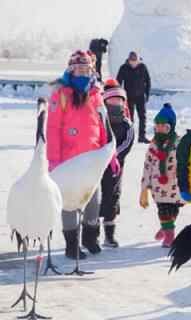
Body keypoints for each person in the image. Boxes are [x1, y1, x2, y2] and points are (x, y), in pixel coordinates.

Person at [47, 50, 114, 259]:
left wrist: (108, 155)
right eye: (78, 68)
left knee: (93, 201)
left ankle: (90, 238)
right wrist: (54, 160)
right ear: (71, 69)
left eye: (86, 67)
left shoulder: (96, 93)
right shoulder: (61, 94)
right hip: (69, 160)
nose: (82, 71)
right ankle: (72, 244)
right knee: (70, 202)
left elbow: (103, 126)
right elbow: (53, 128)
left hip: (93, 160)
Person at [139, 104, 183, 248]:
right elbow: (147, 165)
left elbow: (186, 161)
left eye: (163, 125)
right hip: (158, 185)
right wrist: (145, 186)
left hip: (175, 184)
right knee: (163, 209)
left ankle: (165, 228)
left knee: (173, 210)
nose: (159, 128)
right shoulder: (153, 145)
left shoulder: (179, 143)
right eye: (157, 125)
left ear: (170, 126)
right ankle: (169, 235)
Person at [98, 79, 135, 248]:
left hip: (115, 167)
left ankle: (109, 235)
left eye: (119, 100)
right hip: (97, 165)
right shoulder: (100, 119)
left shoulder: (126, 124)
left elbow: (127, 144)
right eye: (112, 100)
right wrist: (100, 155)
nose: (115, 103)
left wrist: (113, 156)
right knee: (96, 198)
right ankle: (92, 233)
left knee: (112, 197)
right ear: (105, 101)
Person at [116, 51, 152, 143]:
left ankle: (142, 136)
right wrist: (119, 95)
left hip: (140, 96)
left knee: (142, 117)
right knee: (129, 117)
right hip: (129, 96)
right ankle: (129, 137)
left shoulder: (142, 67)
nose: (133, 63)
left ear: (138, 60)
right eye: (132, 61)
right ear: (129, 60)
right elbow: (118, 82)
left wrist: (147, 94)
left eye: (135, 61)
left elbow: (148, 81)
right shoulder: (124, 68)